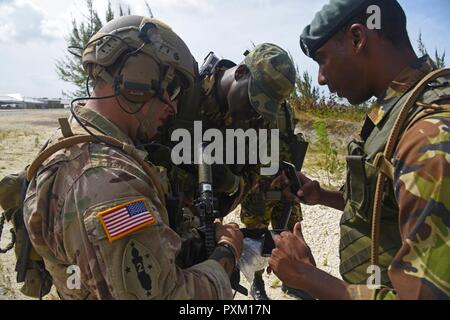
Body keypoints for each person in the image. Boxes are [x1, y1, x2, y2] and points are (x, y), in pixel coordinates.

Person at [22, 15, 243, 300]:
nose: (174, 107)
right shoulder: (107, 181)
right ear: (138, 75)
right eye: (172, 89)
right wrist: (227, 253)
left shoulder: (71, 139)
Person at [269, 0, 450, 299]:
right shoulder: (400, 111)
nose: (321, 79)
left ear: (357, 39)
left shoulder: (428, 140)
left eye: (322, 60)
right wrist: (322, 195)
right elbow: (389, 204)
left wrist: (309, 277)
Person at [150, 43, 304, 300]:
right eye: (253, 100)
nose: (255, 112)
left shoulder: (258, 121)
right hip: (163, 214)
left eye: (264, 107)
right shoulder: (183, 90)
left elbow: (254, 175)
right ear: (241, 73)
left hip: (210, 222)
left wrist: (231, 182)